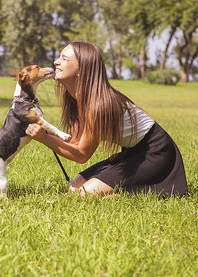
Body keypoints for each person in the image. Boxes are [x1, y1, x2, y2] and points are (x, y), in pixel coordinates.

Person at [26, 41, 188, 198]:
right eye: (59, 57)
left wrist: (44, 138)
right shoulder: (77, 98)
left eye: (64, 58)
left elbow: (82, 155)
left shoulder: (98, 104)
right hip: (131, 153)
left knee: (86, 193)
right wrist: (47, 132)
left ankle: (131, 194)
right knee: (73, 188)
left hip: (156, 153)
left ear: (81, 69)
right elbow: (74, 141)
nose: (56, 62)